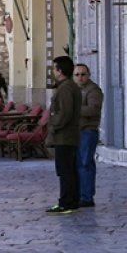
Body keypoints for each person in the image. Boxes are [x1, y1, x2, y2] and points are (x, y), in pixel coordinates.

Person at [46, 56, 81, 214]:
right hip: (68, 135)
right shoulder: (68, 86)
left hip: (65, 136)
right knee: (69, 169)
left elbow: (65, 112)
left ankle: (66, 202)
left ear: (60, 71)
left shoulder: (66, 88)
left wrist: (54, 125)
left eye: (55, 69)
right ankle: (72, 200)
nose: (53, 72)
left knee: (65, 170)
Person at [75, 64, 103, 208]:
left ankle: (87, 197)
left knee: (85, 164)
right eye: (77, 74)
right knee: (79, 164)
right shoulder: (75, 90)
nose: (80, 77)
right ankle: (81, 194)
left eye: (83, 74)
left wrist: (73, 109)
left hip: (88, 131)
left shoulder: (93, 90)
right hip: (77, 132)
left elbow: (93, 109)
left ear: (89, 75)